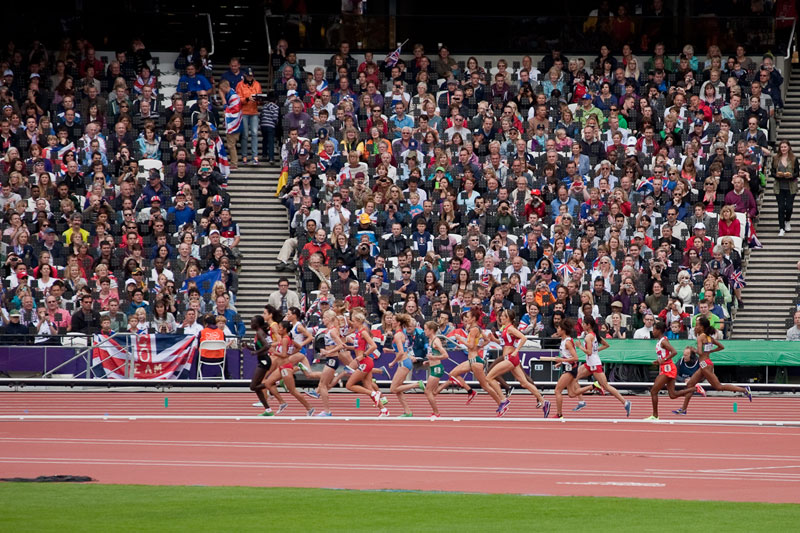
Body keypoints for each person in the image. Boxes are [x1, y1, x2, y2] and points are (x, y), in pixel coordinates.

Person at [674, 316, 752, 410]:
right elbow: (721, 346)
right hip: (706, 363)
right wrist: (710, 352)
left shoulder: (700, 337)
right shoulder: (709, 338)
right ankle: (683, 409)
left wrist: (693, 350)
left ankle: (744, 389)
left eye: (697, 325)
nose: (695, 327)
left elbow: (700, 352)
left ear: (702, 327)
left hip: (705, 365)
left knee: (718, 386)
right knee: (690, 384)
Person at [438, 308, 505, 413]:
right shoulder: (477, 328)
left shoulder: (474, 330)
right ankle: (470, 391)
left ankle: (501, 402)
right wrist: (479, 347)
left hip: (475, 361)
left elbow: (470, 345)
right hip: (472, 360)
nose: (466, 319)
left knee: (485, 386)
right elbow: (487, 340)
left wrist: (460, 339)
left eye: (468, 317)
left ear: (473, 318)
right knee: (452, 374)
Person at [486, 309, 549, 417]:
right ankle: (543, 401)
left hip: (510, 358)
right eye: (501, 316)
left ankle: (503, 400)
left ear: (508, 318)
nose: (501, 318)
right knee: (524, 383)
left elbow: (523, 338)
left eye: (503, 316)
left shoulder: (510, 328)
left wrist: (516, 351)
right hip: (510, 357)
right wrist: (493, 339)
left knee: (489, 377)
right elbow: (504, 343)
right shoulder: (505, 329)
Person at [575, 316, 632, 417]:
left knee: (605, 386)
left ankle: (625, 402)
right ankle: (581, 402)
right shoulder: (594, 335)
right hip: (590, 363)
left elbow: (588, 352)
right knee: (574, 378)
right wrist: (595, 351)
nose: (582, 325)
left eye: (584, 324)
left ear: (588, 325)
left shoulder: (589, 337)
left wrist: (580, 347)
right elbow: (606, 345)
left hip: (594, 364)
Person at [261, 320, 315, 416]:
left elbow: (284, 355)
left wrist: (273, 352)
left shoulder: (286, 339)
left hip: (286, 367)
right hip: (281, 367)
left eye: (280, 328)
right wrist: (291, 353)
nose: (278, 329)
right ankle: (282, 402)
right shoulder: (285, 338)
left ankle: (309, 408)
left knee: (292, 391)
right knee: (268, 383)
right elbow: (298, 347)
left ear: (285, 329)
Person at [344, 310, 387, 416]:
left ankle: (374, 393)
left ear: (358, 321)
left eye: (353, 321)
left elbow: (373, 346)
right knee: (368, 386)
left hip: (365, 362)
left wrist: (362, 356)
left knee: (349, 385)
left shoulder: (363, 332)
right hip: (363, 362)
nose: (352, 323)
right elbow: (358, 347)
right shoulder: (357, 333)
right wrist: (348, 347)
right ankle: (383, 410)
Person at [645, 321, 688, 420]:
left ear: (659, 330)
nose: (653, 331)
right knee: (672, 395)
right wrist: (659, 361)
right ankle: (695, 389)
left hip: (668, 368)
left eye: (654, 329)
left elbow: (674, 352)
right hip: (666, 367)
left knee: (653, 391)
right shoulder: (660, 341)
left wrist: (663, 360)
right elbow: (664, 354)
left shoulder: (663, 341)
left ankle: (655, 415)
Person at [389, 313, 425, 417]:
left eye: (393, 320)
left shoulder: (397, 335)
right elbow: (402, 350)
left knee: (393, 389)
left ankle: (417, 384)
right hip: (405, 361)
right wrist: (390, 351)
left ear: (398, 323)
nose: (391, 322)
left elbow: (400, 352)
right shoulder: (402, 334)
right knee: (398, 389)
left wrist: (393, 362)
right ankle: (408, 411)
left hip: (404, 362)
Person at [314, 310, 347, 417]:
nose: (322, 320)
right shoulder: (330, 330)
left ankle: (327, 411)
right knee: (324, 385)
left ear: (328, 319)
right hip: (330, 359)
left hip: (333, 359)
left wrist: (329, 352)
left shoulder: (332, 331)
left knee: (322, 385)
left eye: (324, 318)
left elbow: (341, 345)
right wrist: (325, 352)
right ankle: (326, 410)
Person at [242, 315, 276, 416]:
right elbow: (260, 347)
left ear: (257, 324)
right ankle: (268, 410)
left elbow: (267, 346)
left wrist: (256, 352)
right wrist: (248, 347)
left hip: (264, 360)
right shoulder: (258, 333)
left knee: (253, 386)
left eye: (252, 322)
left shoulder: (260, 333)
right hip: (262, 359)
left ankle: (273, 384)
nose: (250, 324)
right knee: (256, 387)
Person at [553, 318, 582, 419]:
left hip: (570, 369)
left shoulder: (567, 342)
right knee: (571, 394)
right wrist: (561, 363)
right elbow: (567, 356)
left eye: (559, 328)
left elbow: (575, 358)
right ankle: (593, 387)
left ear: (563, 330)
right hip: (568, 367)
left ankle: (559, 414)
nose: (557, 330)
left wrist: (561, 360)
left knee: (557, 391)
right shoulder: (564, 341)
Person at [421, 321, 449, 419]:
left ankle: (436, 413)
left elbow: (446, 355)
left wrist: (433, 359)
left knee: (427, 391)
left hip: (437, 368)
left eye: (425, 329)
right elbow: (435, 355)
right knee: (433, 392)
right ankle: (448, 383)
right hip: (433, 367)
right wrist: (429, 361)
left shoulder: (436, 341)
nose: (424, 331)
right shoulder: (430, 340)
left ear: (431, 330)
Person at [235, 67, 262, 165]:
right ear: (245, 75)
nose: (250, 77)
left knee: (254, 133)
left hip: (254, 112)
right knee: (245, 135)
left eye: (251, 75)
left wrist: (258, 99)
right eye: (248, 75)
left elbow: (260, 96)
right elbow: (238, 99)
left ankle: (255, 156)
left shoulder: (257, 84)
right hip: (244, 112)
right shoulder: (239, 85)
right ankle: (244, 156)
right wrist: (247, 99)